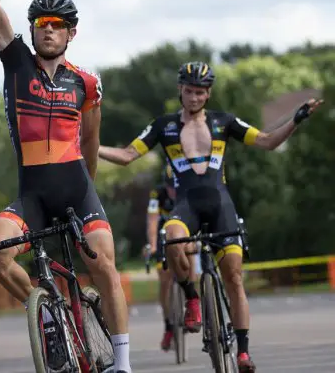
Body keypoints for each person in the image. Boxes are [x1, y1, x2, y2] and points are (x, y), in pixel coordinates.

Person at [97, 61, 323, 372]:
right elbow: (126, 156)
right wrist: (87, 146)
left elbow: (267, 142)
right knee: (172, 237)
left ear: (208, 94)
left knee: (234, 278)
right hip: (186, 206)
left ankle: (243, 353)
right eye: (189, 91)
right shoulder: (163, 126)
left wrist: (296, 120)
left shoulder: (224, 122)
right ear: (180, 90)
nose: (193, 97)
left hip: (221, 206)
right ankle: (192, 298)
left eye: (200, 92)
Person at [0, 0, 131, 371]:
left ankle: (123, 363)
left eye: (57, 24)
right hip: (33, 195)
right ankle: (49, 314)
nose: (49, 30)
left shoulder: (86, 83)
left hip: (78, 191)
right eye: (42, 24)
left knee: (104, 267)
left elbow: (91, 140)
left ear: (71, 33)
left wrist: (88, 193)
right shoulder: (17, 63)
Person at [145, 163, 199, 351]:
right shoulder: (157, 195)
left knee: (191, 249)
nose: (172, 191)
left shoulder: (188, 190)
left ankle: (192, 301)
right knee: (165, 280)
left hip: (186, 235)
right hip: (163, 238)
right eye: (169, 187)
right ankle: (169, 325)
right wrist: (152, 245)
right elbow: (152, 220)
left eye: (174, 187)